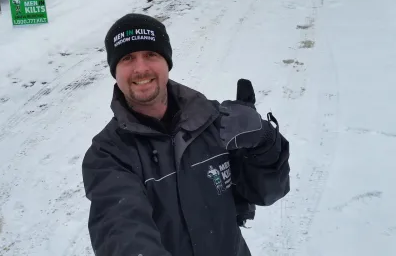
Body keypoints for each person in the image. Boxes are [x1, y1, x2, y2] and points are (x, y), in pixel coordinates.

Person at [81, 13, 291, 256]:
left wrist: (264, 142)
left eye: (151, 54)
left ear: (166, 62)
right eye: (127, 58)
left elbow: (268, 192)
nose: (141, 68)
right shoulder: (108, 154)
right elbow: (121, 231)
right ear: (114, 71)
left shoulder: (214, 121)